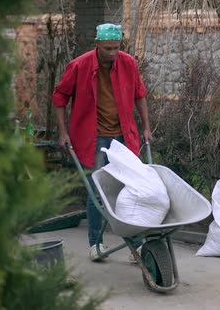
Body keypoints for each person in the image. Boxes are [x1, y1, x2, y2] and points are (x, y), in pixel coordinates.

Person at [52, 23, 152, 262]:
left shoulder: (128, 63)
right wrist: (63, 133)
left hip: (123, 138)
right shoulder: (79, 65)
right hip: (93, 138)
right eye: (107, 48)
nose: (112, 53)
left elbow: (139, 95)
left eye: (116, 48)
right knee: (97, 191)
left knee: (131, 189)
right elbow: (59, 97)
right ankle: (95, 244)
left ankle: (136, 245)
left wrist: (146, 127)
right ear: (96, 45)